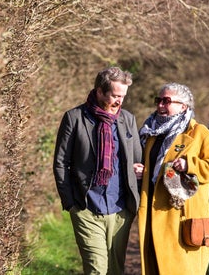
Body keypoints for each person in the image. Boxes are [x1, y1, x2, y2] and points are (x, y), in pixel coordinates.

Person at [53, 66, 143, 275]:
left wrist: (135, 172)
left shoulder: (127, 119)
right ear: (100, 91)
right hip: (86, 207)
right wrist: (71, 203)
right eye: (115, 95)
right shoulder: (75, 118)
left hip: (120, 210)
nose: (120, 100)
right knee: (97, 269)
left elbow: (136, 159)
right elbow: (61, 162)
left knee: (114, 270)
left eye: (123, 96)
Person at [137, 82, 209, 274]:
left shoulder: (200, 133)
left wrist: (190, 165)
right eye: (158, 100)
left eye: (166, 101)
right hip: (153, 214)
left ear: (183, 106)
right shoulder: (151, 134)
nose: (160, 105)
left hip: (182, 218)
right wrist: (141, 172)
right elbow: (154, 171)